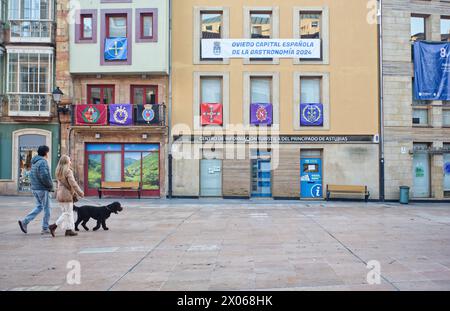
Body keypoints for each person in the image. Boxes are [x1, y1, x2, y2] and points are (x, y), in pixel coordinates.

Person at [18, 145, 54, 234]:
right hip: (42, 189)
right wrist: (50, 186)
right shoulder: (42, 162)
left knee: (39, 207)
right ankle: (45, 228)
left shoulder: (34, 162)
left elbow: (32, 175)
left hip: (35, 188)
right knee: (47, 208)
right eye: (47, 152)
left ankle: (24, 222)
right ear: (46, 153)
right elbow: (44, 176)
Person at [49, 155, 84, 237]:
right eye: (69, 160)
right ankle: (53, 226)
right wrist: (80, 192)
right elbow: (73, 184)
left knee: (68, 212)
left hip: (60, 194)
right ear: (66, 162)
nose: (70, 162)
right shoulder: (68, 171)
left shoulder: (58, 171)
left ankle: (69, 230)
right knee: (67, 213)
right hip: (67, 195)